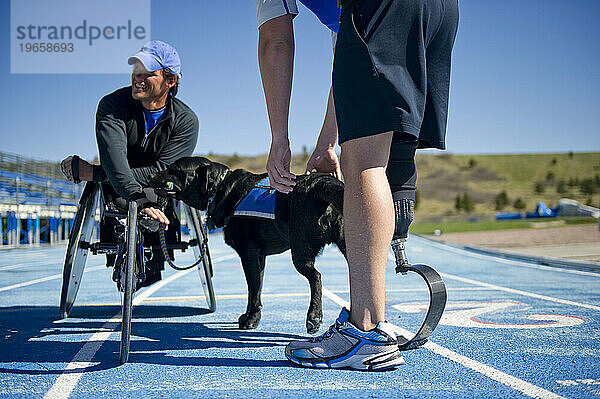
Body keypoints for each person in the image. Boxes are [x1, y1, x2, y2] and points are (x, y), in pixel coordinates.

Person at [255, 0, 459, 370]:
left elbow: (276, 42)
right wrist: (327, 143)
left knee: (364, 163)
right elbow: (347, 59)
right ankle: (378, 302)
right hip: (440, 10)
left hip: (379, 8)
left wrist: (279, 138)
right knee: (392, 152)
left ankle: (364, 331)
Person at [61, 40, 199, 287]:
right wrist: (132, 193)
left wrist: (94, 173)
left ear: (171, 81)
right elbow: (114, 161)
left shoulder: (187, 121)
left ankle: (150, 248)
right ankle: (126, 246)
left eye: (149, 72)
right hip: (120, 188)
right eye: (136, 69)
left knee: (163, 188)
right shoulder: (112, 106)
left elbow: (162, 171)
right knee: (122, 201)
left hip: (160, 189)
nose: (138, 76)